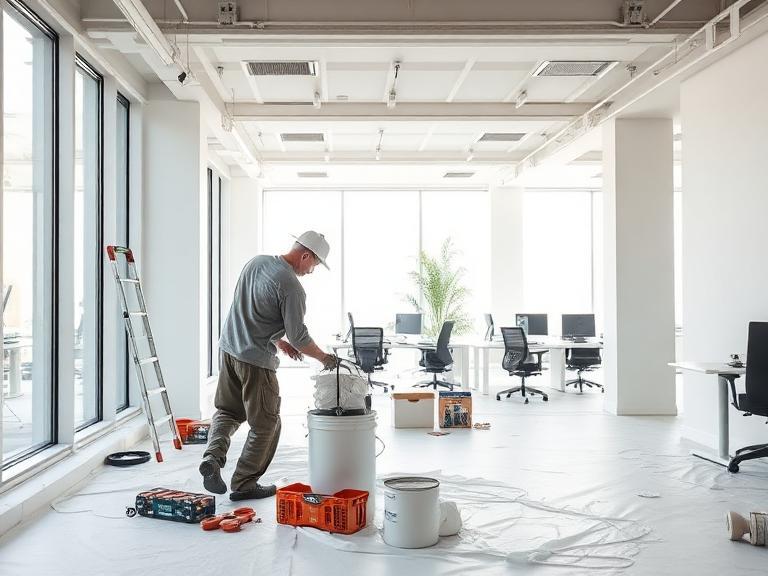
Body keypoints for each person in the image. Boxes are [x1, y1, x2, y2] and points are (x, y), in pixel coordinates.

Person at [199, 230, 338, 500]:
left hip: (229, 350)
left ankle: (212, 459)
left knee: (227, 411)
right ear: (306, 255)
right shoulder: (292, 287)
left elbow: (252, 311)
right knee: (267, 425)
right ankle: (244, 483)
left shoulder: (256, 262)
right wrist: (325, 358)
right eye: (314, 265)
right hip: (255, 363)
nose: (312, 271)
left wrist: (278, 340)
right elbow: (300, 337)